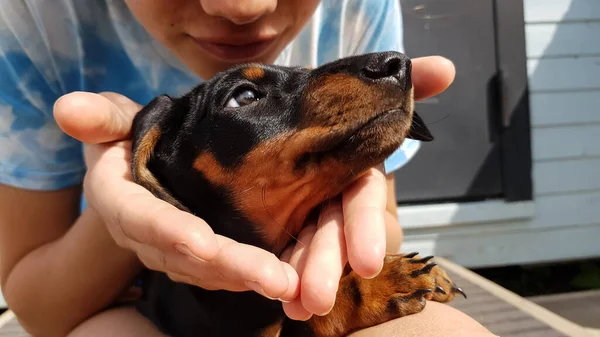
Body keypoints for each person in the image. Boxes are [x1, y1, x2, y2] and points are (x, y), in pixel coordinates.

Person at [0, 0, 494, 336]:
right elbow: (42, 310)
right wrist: (127, 204)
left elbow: (378, 234)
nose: (243, 7)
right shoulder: (33, 20)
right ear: (157, 156)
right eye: (245, 95)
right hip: (124, 310)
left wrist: (339, 290)